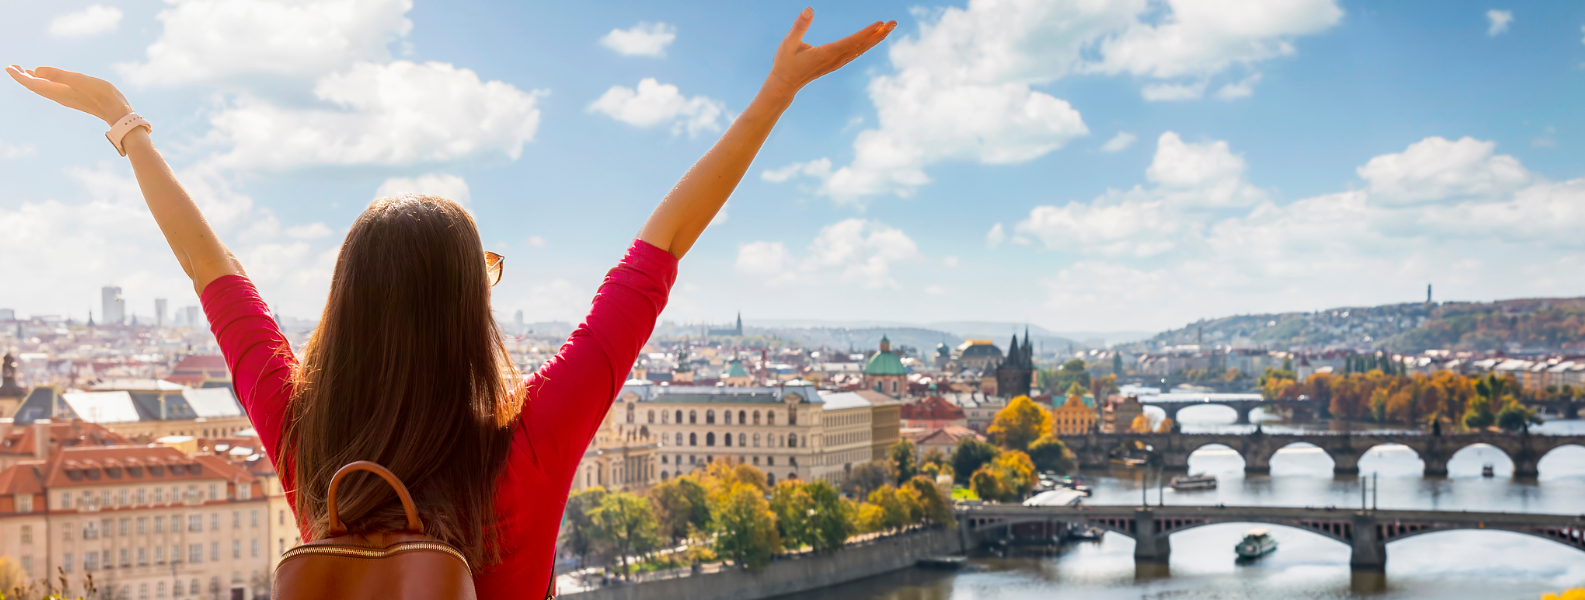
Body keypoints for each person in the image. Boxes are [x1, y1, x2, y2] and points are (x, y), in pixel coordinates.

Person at [8, 9, 894, 596]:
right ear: (470, 311)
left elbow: (212, 273)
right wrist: (776, 95)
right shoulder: (530, 439)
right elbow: (656, 250)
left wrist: (126, 124)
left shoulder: (303, 435)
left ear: (347, 305)